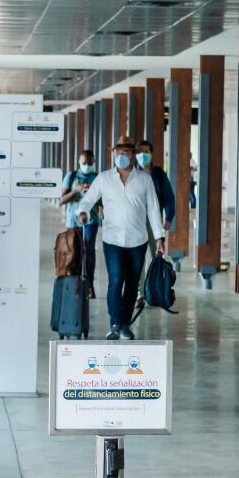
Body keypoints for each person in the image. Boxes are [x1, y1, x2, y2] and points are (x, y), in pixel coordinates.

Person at [77, 139, 166, 341]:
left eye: (126, 152)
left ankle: (125, 324)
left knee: (132, 284)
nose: (122, 156)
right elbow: (88, 200)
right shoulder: (104, 178)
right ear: (114, 154)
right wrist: (82, 212)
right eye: (119, 152)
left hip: (138, 241)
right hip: (113, 240)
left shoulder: (145, 180)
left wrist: (159, 237)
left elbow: (153, 210)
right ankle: (115, 323)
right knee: (116, 281)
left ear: (133, 156)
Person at [59, 150, 102, 295]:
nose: (87, 166)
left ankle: (89, 285)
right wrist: (76, 191)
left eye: (90, 163)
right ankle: (75, 284)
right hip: (72, 222)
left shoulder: (98, 178)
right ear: (79, 162)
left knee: (89, 252)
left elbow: (104, 202)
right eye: (84, 163)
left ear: (94, 162)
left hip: (91, 220)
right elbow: (62, 200)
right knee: (73, 253)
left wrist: (93, 194)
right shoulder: (71, 177)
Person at [137, 139, 178, 232]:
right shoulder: (132, 174)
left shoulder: (158, 174)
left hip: (155, 219)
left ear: (151, 154)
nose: (142, 154)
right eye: (139, 152)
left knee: (155, 241)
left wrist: (168, 218)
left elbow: (168, 197)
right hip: (134, 220)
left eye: (146, 151)